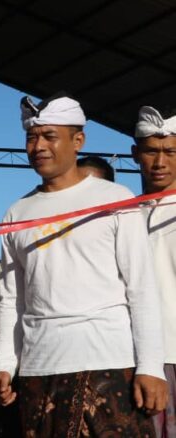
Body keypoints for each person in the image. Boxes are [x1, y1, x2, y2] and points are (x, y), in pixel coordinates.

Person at [0, 94, 167, 436]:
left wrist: (150, 366)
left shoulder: (115, 199)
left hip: (109, 362)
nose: (38, 146)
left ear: (78, 141)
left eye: (49, 136)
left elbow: (141, 287)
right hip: (39, 368)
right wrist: (5, 364)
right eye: (31, 137)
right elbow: (12, 299)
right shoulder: (17, 212)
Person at [132, 105, 176, 438]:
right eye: (151, 151)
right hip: (140, 358)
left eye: (170, 152)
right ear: (136, 154)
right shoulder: (123, 213)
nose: (160, 162)